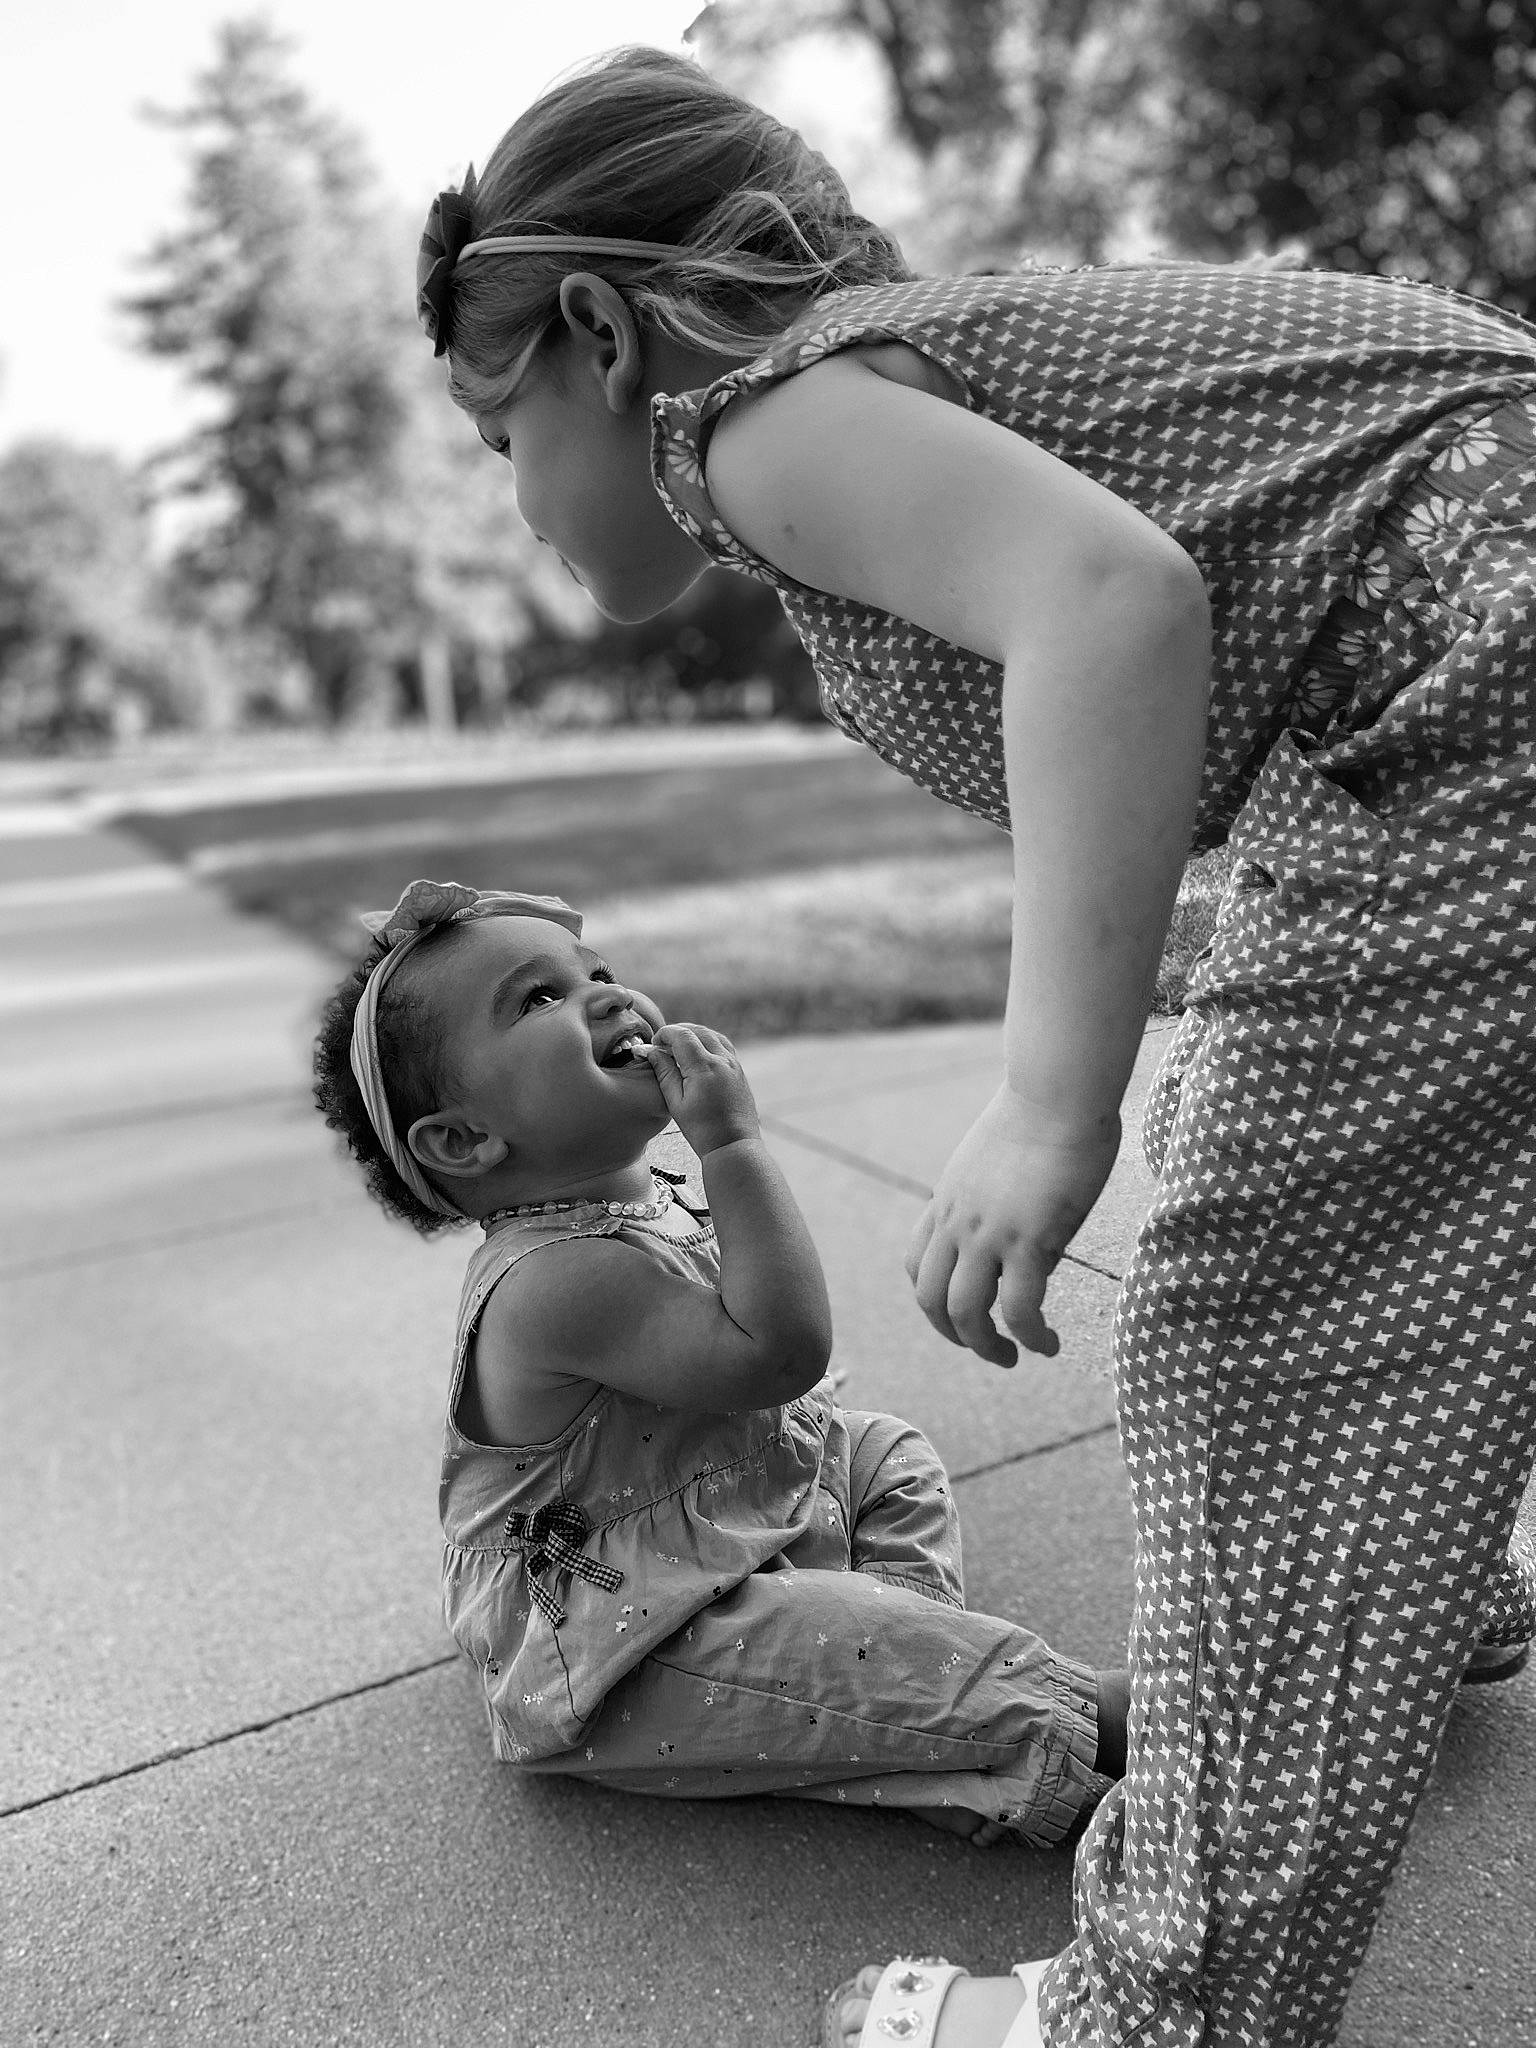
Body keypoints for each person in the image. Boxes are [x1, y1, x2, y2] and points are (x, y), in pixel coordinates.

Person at [409, 43, 1536, 2048]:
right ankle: (1394, 1578)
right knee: (1345, 1202)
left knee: (1256, 1315)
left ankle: (1168, 2007)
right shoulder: (873, 380)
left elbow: (1111, 603)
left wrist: (1047, 1102)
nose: (516, 497)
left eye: (500, 435)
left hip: (1479, 674)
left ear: (597, 332)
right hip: (1430, 681)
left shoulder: (744, 422)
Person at [312, 877, 1130, 1850]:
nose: (608, 997)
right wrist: (733, 1144)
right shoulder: (551, 1282)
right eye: (538, 999)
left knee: (883, 1455)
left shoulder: (628, 1199)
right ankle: (1047, 1718)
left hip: (712, 1514)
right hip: (629, 1642)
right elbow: (776, 1350)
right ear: (465, 1138)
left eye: (597, 972)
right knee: (955, 1673)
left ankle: (886, 1685)